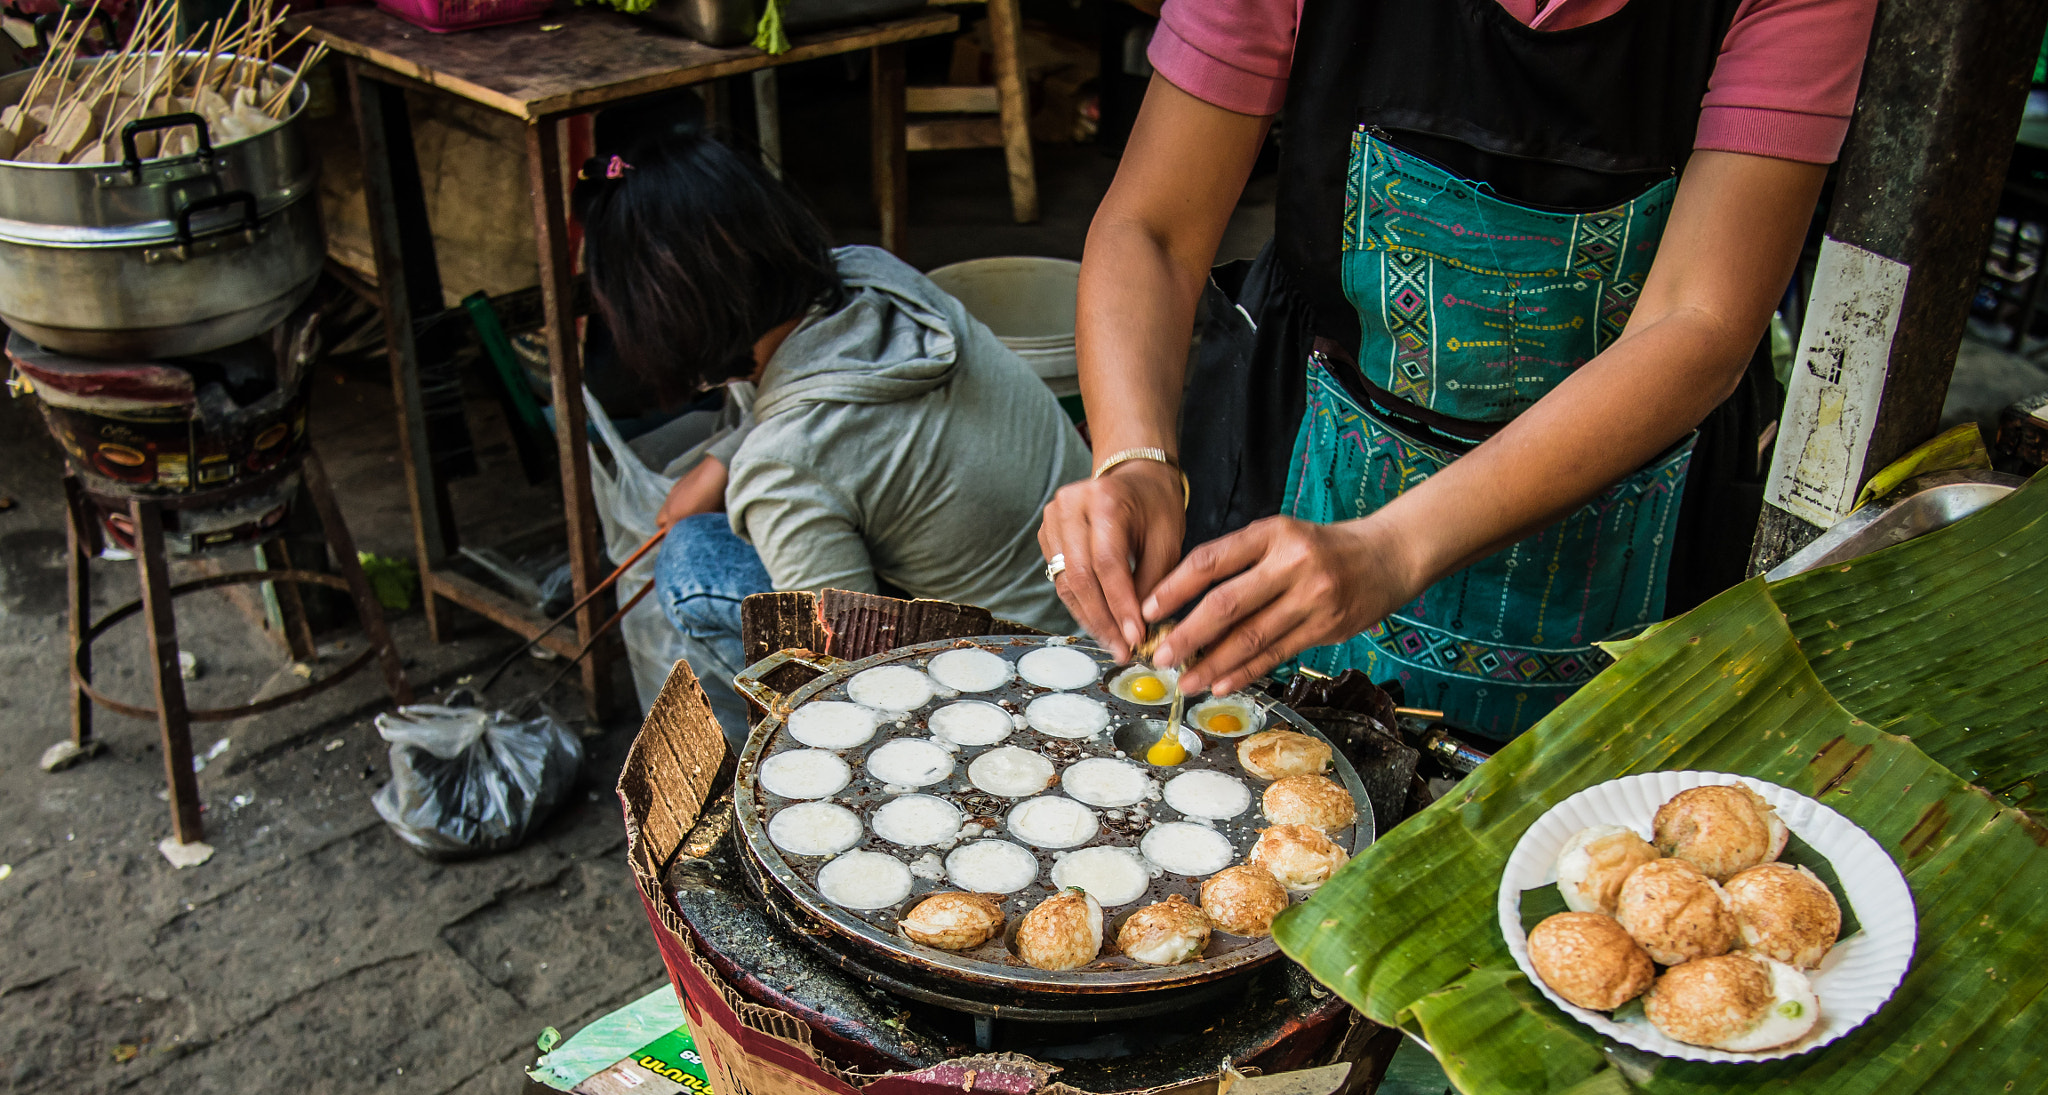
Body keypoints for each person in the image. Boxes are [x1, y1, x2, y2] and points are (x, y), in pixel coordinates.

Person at [1040, 0, 1880, 740]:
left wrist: (1394, 548)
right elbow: (1153, 227)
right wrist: (1135, 458)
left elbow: (1698, 322)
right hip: (1312, 437)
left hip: (1624, 491)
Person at [575, 130, 1087, 744]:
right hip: (1090, 597)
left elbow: (848, 677)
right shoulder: (876, 279)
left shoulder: (785, 469)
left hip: (1027, 687)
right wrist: (720, 463)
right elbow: (829, 414)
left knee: (690, 559)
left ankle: (761, 760)